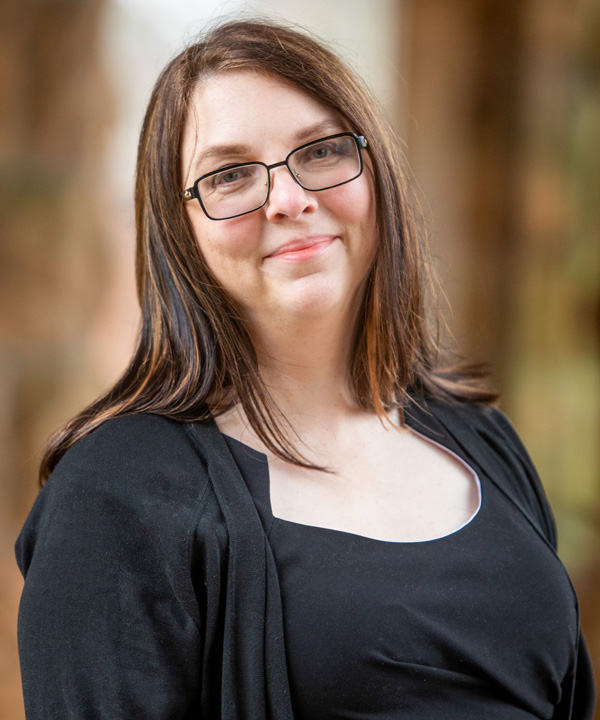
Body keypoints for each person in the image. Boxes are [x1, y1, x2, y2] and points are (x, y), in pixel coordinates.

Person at [15, 18, 595, 720]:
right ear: (179, 230)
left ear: (374, 169)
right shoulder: (116, 497)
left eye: (319, 151)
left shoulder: (481, 441)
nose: (289, 198)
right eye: (229, 175)